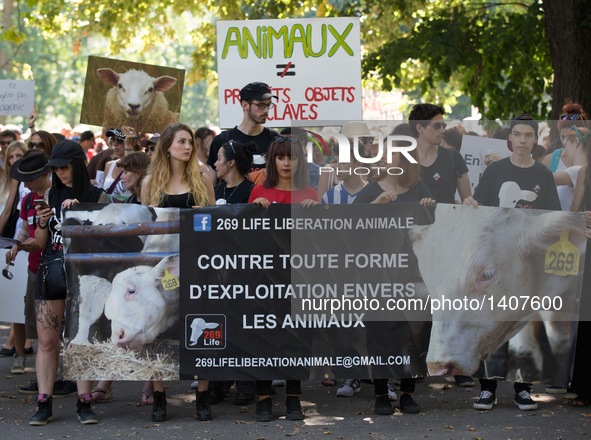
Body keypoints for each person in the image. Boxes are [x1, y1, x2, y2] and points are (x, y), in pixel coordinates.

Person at [464, 114, 560, 411]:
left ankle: (522, 388)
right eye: (517, 135)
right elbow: (479, 210)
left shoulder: (544, 176)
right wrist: (470, 204)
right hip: (495, 261)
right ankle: (487, 388)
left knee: (523, 324)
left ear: (535, 139)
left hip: (527, 263)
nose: (522, 140)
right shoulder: (495, 171)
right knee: (491, 323)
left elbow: (551, 217)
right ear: (511, 139)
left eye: (528, 135)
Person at [30, 140, 108, 426]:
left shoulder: (98, 196)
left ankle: (84, 401)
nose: (60, 173)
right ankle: (43, 402)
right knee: (48, 341)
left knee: (80, 338)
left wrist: (80, 214)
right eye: (56, 168)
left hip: (85, 273)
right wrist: (41, 221)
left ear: (76, 163)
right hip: (51, 270)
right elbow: (41, 242)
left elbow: (107, 238)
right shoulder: (50, 194)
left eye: (64, 167)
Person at [141, 122, 215, 422]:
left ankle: (202, 396)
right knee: (157, 329)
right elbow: (144, 226)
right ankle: (160, 397)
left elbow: (215, 224)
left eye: (190, 143)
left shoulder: (203, 178)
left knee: (204, 328)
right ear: (168, 145)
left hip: (197, 264)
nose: (188, 147)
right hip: (162, 267)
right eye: (182, 142)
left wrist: (203, 217)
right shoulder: (149, 183)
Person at [249, 136, 319, 422]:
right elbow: (245, 240)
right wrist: (255, 213)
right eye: (281, 157)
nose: (287, 163)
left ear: (301, 161)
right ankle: (263, 399)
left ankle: (293, 398)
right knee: (265, 336)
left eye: (293, 157)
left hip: (300, 276)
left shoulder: (310, 194)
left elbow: (321, 241)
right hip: (266, 276)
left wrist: (317, 217)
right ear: (273, 161)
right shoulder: (257, 193)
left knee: (297, 337)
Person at [5, 150, 51, 375]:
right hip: (33, 266)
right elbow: (24, 229)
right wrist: (17, 244)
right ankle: (26, 360)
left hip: (54, 267)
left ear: (45, 174)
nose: (27, 183)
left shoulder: (58, 196)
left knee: (52, 327)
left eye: (31, 179)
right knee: (30, 317)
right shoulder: (27, 199)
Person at [206, 82, 279, 185]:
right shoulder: (222, 140)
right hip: (231, 200)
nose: (266, 110)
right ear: (245, 105)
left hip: (268, 200)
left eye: (269, 105)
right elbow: (211, 186)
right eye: (261, 105)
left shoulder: (276, 140)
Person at [408, 103, 471, 203]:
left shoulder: (453, 157)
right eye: (437, 126)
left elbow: (467, 200)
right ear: (419, 128)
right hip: (414, 218)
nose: (442, 130)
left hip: (447, 218)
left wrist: (469, 203)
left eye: (443, 125)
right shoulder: (404, 160)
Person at [214, 140, 256, 204]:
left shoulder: (251, 191)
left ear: (230, 163)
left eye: (219, 159)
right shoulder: (216, 191)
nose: (215, 164)